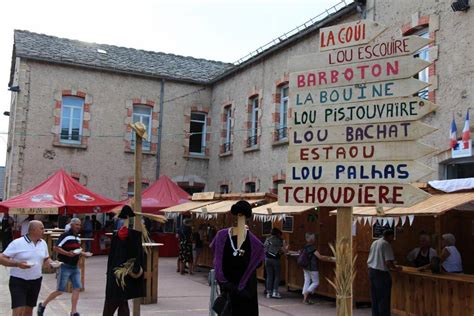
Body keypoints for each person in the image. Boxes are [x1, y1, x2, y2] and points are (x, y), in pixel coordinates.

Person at [210, 200, 264, 316]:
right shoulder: (222, 236)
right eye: (238, 215)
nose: (239, 219)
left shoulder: (255, 243)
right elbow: (217, 259)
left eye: (241, 216)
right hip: (229, 290)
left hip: (245, 291)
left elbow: (257, 263)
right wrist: (225, 283)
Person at [0, 220, 53, 316]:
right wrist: (17, 264)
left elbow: (46, 258)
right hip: (18, 281)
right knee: (18, 310)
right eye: (41, 228)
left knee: (29, 311)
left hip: (36, 281)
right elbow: (1, 258)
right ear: (33, 230)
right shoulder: (17, 243)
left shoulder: (43, 243)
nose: (44, 230)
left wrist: (50, 263)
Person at [38, 218, 85, 316]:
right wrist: (67, 253)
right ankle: (43, 305)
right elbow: (56, 247)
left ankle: (73, 312)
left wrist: (83, 253)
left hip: (74, 267)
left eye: (79, 225)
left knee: (77, 288)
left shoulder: (78, 238)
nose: (78, 227)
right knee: (60, 290)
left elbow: (77, 250)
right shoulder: (65, 236)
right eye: (77, 225)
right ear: (71, 225)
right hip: (64, 266)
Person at [103, 206, 145, 316]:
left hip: (119, 276)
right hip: (121, 275)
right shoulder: (133, 238)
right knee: (122, 302)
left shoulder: (125, 237)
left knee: (114, 302)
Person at [367, 229, 399, 316]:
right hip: (381, 273)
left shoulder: (375, 242)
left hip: (371, 271)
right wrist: (396, 268)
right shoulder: (386, 244)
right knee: (383, 298)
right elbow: (388, 262)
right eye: (392, 237)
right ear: (389, 236)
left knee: (375, 297)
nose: (393, 239)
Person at [300, 232, 332, 305]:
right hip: (312, 267)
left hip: (305, 267)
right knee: (316, 282)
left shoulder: (305, 246)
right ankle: (306, 294)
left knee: (307, 281)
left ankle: (305, 299)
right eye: (314, 238)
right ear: (311, 239)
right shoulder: (312, 247)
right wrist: (328, 258)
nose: (314, 239)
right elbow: (319, 257)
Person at [263, 228, 287, 299]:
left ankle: (268, 292)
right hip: (276, 259)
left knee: (269, 276)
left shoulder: (268, 239)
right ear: (278, 234)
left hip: (267, 259)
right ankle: (275, 292)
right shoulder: (280, 241)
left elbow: (264, 248)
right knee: (277, 276)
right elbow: (284, 251)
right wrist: (285, 247)